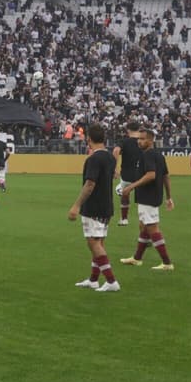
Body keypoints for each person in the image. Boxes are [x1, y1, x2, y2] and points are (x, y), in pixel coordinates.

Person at [68, 124, 120, 292]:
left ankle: (111, 281)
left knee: (93, 243)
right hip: (107, 205)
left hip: (94, 206)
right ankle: (93, 279)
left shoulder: (93, 159)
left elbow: (90, 184)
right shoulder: (111, 158)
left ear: (89, 139)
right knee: (99, 242)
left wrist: (76, 205)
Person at [119, 128, 175, 270]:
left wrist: (131, 186)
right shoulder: (159, 156)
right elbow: (165, 177)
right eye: (139, 138)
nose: (139, 141)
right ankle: (137, 258)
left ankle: (167, 262)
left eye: (143, 139)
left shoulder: (147, 155)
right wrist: (169, 197)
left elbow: (151, 175)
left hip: (147, 197)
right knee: (145, 226)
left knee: (152, 228)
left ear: (150, 141)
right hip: (154, 196)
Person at [112, 122, 143, 226]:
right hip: (141, 174)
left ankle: (124, 219)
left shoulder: (124, 141)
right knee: (142, 199)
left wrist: (115, 168)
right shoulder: (143, 141)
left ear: (128, 130)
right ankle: (143, 220)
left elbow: (116, 151)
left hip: (127, 173)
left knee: (125, 195)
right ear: (139, 130)